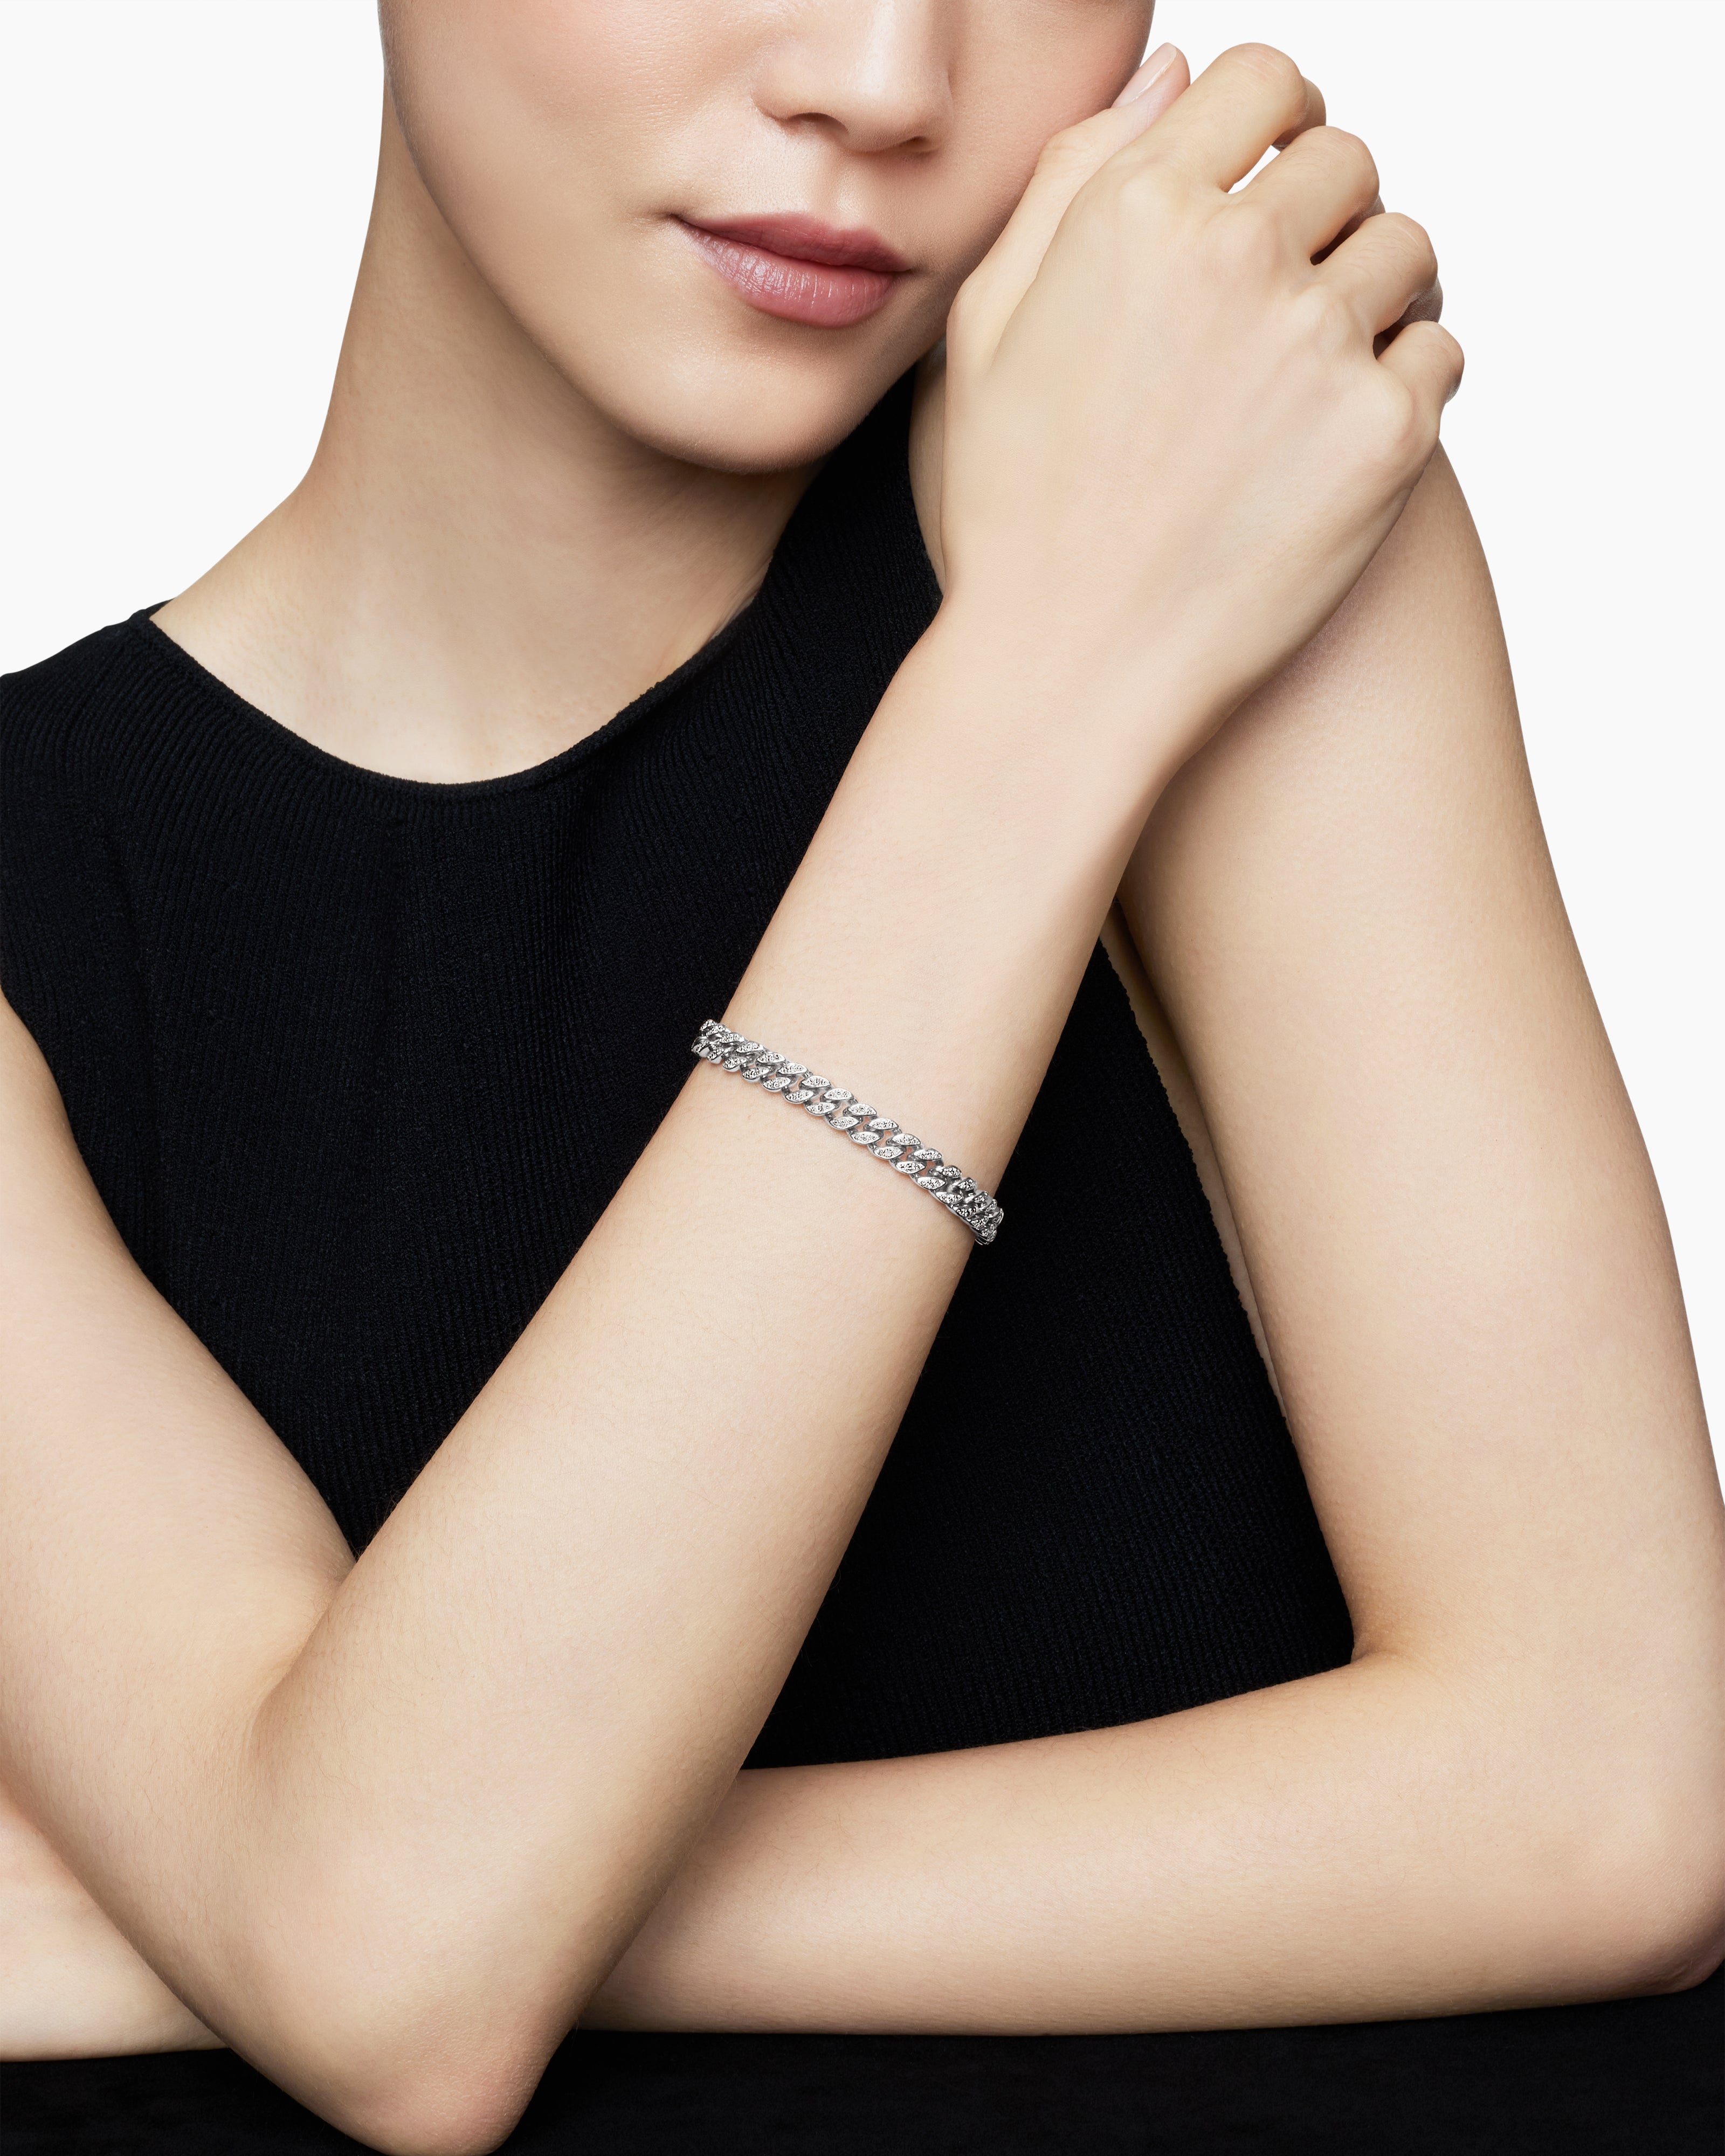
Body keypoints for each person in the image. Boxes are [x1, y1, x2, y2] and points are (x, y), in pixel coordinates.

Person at [2, 5, 1721, 2153]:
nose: (887, 79)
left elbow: (1613, 1798)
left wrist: (272, 1925)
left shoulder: (1218, 512)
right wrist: (341, 1914)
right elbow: (392, 1952)